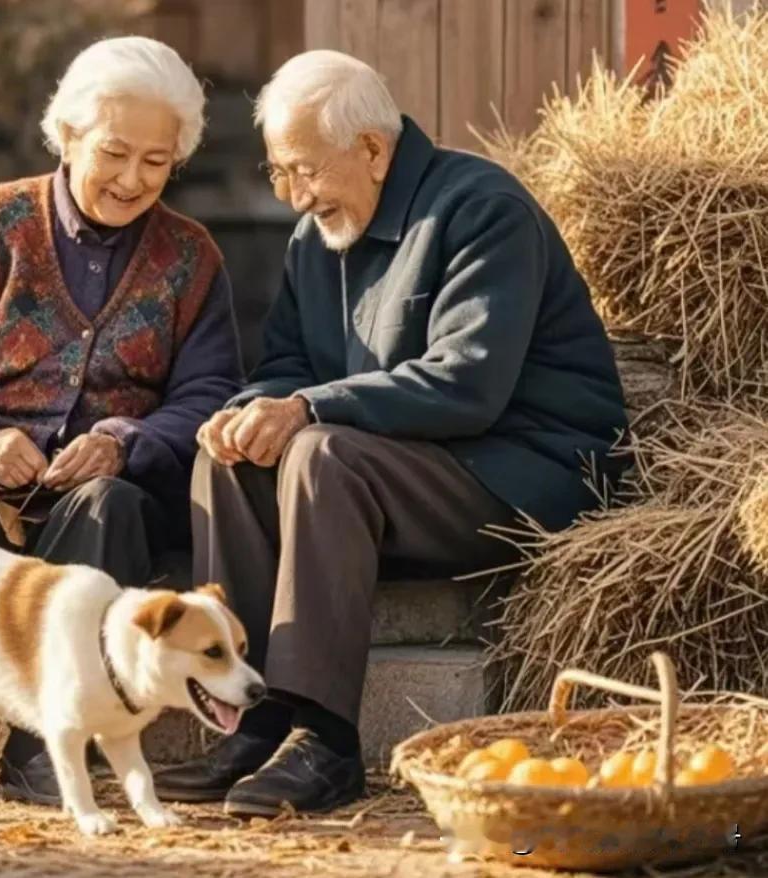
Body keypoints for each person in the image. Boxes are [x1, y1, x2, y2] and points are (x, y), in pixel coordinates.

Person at [153, 50, 630, 816]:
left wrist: (306, 409)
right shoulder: (317, 241)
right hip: (401, 469)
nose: (293, 196)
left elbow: (467, 385)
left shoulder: (482, 209)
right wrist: (251, 410)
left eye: (303, 170)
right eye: (279, 173)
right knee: (229, 459)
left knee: (319, 451)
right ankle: (256, 717)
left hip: (521, 469)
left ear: (373, 150)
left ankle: (323, 739)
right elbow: (286, 365)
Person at [0, 36, 243, 806]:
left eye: (157, 161)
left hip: (89, 496)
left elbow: (210, 396)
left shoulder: (192, 256)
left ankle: (41, 741)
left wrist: (122, 442)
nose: (133, 179)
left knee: (118, 502)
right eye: (114, 152)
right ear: (67, 135)